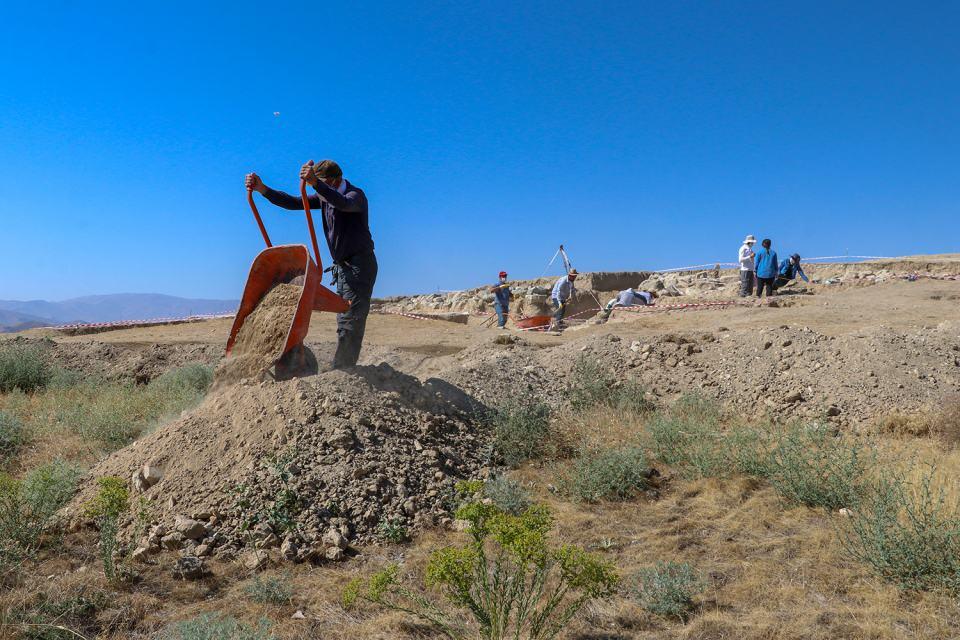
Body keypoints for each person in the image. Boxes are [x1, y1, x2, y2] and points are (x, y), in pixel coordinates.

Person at [245, 160, 377, 369]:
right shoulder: (326, 196)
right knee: (344, 316)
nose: (317, 189)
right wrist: (262, 189)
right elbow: (295, 202)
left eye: (321, 184)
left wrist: (317, 184)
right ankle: (341, 366)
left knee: (350, 320)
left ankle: (343, 370)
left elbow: (342, 203)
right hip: (342, 267)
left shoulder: (355, 196)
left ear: (334, 181)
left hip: (360, 265)